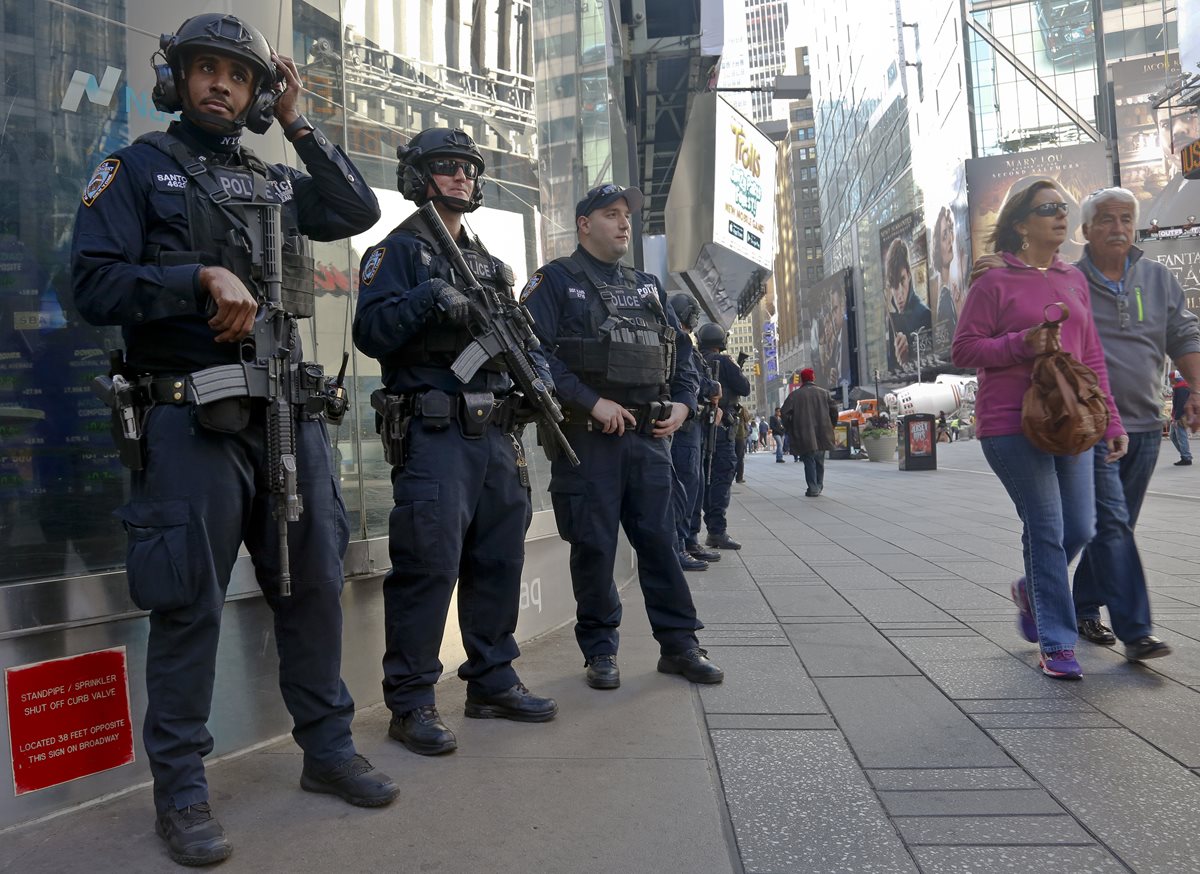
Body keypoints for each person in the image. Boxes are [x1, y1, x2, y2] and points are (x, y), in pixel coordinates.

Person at [71, 13, 397, 865]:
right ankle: (180, 792)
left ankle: (325, 753)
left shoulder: (273, 178)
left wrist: (298, 119)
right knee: (188, 609)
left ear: (255, 94)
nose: (221, 84)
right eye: (205, 69)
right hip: (189, 422)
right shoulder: (136, 170)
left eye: (239, 76)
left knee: (316, 588)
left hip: (286, 419)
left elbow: (356, 208)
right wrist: (193, 278)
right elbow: (94, 285)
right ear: (178, 80)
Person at [353, 128, 558, 757]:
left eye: (469, 168)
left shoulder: (491, 264)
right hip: (435, 431)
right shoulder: (398, 252)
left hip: (497, 434)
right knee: (429, 565)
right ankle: (412, 700)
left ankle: (491, 679)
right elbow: (371, 331)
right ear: (417, 178)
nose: (462, 177)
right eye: (446, 168)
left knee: (499, 560)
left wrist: (542, 387)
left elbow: (524, 342)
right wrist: (429, 298)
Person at [974, 187, 1197, 660]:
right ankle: (1088, 637)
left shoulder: (1128, 279)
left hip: (1111, 422)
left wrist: (1184, 393)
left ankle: (1053, 596)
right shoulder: (1032, 279)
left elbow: (1149, 342)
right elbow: (971, 344)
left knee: (1095, 525)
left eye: (1126, 220)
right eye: (1106, 220)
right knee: (1076, 525)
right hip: (1044, 422)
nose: (1118, 228)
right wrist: (1019, 331)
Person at [521, 183, 723, 690]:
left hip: (649, 437)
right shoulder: (554, 282)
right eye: (611, 214)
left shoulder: (649, 287)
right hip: (589, 439)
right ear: (584, 223)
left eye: (626, 215)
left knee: (661, 543)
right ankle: (600, 652)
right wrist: (591, 401)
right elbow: (532, 356)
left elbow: (684, 360)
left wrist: (683, 404)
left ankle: (679, 645)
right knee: (594, 549)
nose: (623, 223)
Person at [952, 181, 1126, 681]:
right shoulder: (994, 280)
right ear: (1021, 223)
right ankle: (1057, 641)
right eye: (1047, 209)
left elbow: (1091, 355)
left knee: (1080, 527)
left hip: (1070, 420)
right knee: (1046, 528)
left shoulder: (1073, 279)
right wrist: (1021, 344)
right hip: (1010, 422)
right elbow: (964, 350)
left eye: (1062, 209)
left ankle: (1033, 588)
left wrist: (1109, 419)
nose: (1059, 216)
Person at [668, 292, 723, 571]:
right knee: (684, 487)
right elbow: (689, 381)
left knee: (695, 486)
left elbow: (697, 379)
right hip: (683, 428)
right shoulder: (676, 341)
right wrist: (710, 389)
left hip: (694, 426)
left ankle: (689, 539)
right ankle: (680, 542)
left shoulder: (685, 343)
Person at [697, 323, 751, 549]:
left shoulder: (694, 359)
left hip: (698, 427)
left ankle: (702, 531)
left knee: (702, 479)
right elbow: (745, 388)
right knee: (721, 477)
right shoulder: (725, 362)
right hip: (721, 426)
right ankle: (717, 531)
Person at [781, 368, 838, 496]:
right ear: (813, 378)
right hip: (823, 433)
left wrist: (791, 427)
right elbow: (834, 412)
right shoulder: (824, 393)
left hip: (804, 434)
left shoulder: (795, 395)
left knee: (809, 461)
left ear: (801, 379)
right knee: (819, 461)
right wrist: (831, 425)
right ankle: (818, 485)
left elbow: (784, 413)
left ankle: (813, 487)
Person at [884, 237, 932, 371]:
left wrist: (908, 357)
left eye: (902, 280)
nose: (899, 293)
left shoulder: (924, 314)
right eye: (894, 285)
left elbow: (930, 364)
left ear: (909, 275)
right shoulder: (892, 320)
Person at [1171, 372, 1193, 466]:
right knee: (1173, 436)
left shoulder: (1181, 388)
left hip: (1180, 416)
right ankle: (1185, 455)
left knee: (1181, 436)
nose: (1169, 380)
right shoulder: (1182, 386)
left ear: (1173, 378)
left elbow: (1180, 404)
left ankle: (1186, 457)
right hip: (1179, 415)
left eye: (1170, 378)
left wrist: (1176, 418)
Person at [733, 404, 749, 481]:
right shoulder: (741, 408)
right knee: (739, 457)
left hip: (732, 434)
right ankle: (739, 477)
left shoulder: (726, 404)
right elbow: (747, 418)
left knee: (732, 456)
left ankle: (734, 476)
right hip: (739, 435)